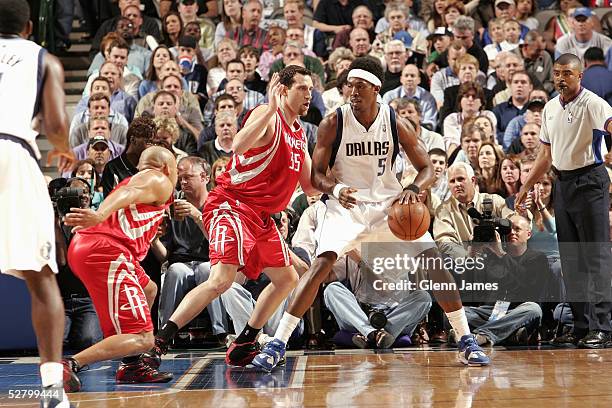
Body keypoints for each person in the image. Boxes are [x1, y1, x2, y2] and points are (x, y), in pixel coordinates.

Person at [252, 57, 490, 372]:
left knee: (432, 260)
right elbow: (316, 177)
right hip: (345, 206)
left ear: (376, 89)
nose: (353, 92)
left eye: (360, 86)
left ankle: (465, 340)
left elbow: (428, 168)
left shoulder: (394, 122)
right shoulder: (333, 122)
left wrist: (413, 189)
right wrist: (335, 190)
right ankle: (278, 343)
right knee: (322, 263)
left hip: (387, 207)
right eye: (350, 85)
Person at [151, 66, 319, 368]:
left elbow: (310, 186)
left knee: (288, 278)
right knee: (221, 281)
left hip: (261, 217)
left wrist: (347, 179)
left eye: (310, 89)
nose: (309, 95)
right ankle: (159, 342)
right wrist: (270, 107)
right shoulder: (266, 117)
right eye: (302, 88)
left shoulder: (299, 135)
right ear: (283, 90)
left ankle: (244, 341)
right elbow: (238, 145)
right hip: (233, 205)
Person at [0, 1, 76, 405]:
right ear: (30, 27)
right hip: (13, 152)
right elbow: (57, 124)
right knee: (41, 276)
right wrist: (65, 149)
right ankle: (51, 390)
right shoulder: (42, 58)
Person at [516, 53, 612, 349]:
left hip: (591, 181)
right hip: (564, 184)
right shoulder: (548, 108)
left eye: (567, 73)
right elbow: (545, 155)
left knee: (595, 256)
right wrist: (526, 186)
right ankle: (581, 326)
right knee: (572, 260)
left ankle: (604, 328)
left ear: (579, 75)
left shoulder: (595, 104)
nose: (560, 78)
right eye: (557, 73)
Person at [62, 146, 177, 391]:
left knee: (149, 289)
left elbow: (129, 195)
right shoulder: (159, 179)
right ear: (168, 167)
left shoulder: (144, 182)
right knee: (144, 338)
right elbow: (129, 191)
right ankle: (70, 364)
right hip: (106, 250)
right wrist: (99, 214)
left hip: (97, 246)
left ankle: (131, 366)